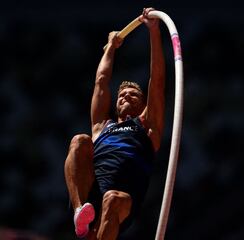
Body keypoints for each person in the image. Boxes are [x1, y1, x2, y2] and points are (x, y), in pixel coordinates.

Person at [64, 7, 165, 240]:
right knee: (79, 140)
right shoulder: (102, 127)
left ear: (143, 103)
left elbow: (157, 81)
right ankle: (80, 212)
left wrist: (153, 31)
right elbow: (101, 82)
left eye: (133, 94)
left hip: (122, 202)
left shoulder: (147, 125)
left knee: (113, 198)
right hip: (91, 193)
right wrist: (110, 47)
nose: (126, 96)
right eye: (122, 95)